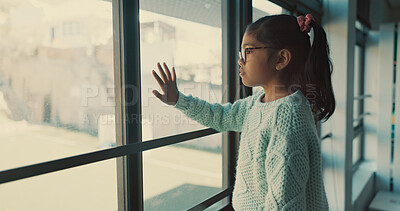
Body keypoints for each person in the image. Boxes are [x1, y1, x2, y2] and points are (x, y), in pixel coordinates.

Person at [151, 13, 334, 211]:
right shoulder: (257, 103)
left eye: (248, 51)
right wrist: (179, 100)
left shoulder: (287, 117)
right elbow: (219, 116)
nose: (240, 61)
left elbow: (284, 205)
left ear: (281, 59)